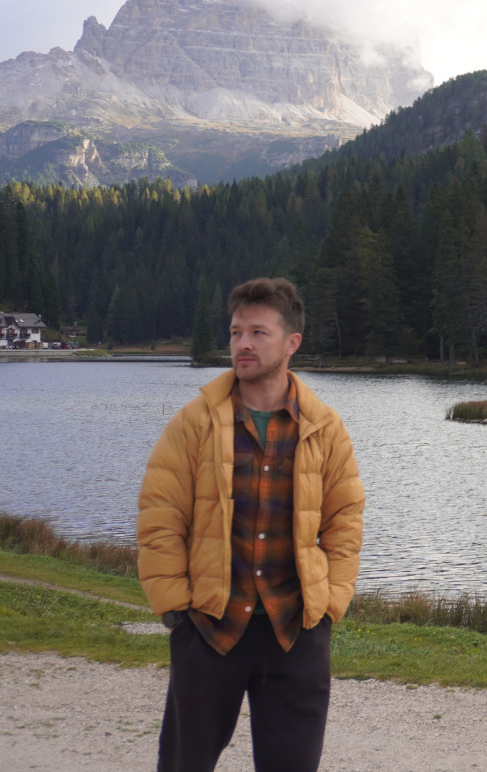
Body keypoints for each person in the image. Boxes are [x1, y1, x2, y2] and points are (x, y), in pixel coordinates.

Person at [137, 277, 364, 772]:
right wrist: (176, 610)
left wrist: (330, 607)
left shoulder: (325, 427)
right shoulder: (193, 422)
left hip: (296, 632)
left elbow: (345, 521)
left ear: (291, 343)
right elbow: (160, 517)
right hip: (210, 628)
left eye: (259, 332)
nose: (242, 343)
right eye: (236, 331)